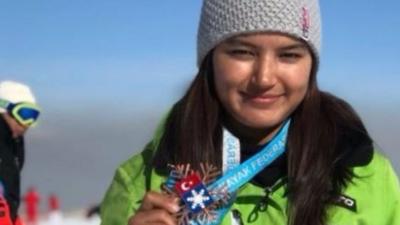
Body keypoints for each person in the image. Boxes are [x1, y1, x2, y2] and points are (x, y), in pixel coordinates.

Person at [100, 0, 400, 224]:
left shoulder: (367, 175)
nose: (264, 78)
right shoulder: (141, 184)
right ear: (210, 59)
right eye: (242, 52)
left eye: (289, 55)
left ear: (310, 65)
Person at [0, 81, 41, 225]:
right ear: (4, 108)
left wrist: (13, 217)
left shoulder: (14, 143)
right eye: (24, 113)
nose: (27, 123)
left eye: (33, 115)